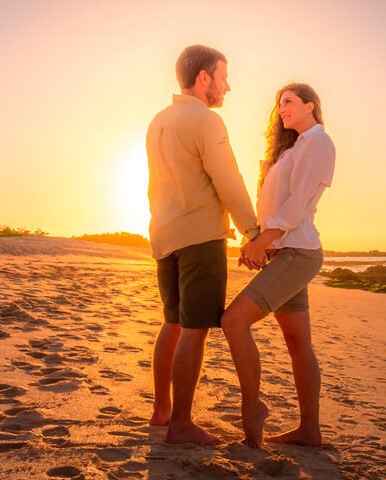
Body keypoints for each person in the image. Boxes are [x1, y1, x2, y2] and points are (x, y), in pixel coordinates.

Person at [146, 45, 260, 445]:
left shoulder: (159, 120)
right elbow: (228, 179)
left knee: (173, 322)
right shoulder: (205, 120)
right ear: (204, 78)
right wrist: (252, 230)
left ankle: (162, 409)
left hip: (164, 235)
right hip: (199, 238)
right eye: (223, 77)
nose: (228, 86)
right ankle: (180, 424)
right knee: (194, 329)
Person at [221, 83, 335, 448]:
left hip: (297, 253)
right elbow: (270, 204)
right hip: (284, 251)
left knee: (233, 321)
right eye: (279, 104)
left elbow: (297, 203)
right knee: (298, 342)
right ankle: (309, 431)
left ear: (310, 105)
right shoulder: (295, 147)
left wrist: (262, 242)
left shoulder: (318, 141)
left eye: (288, 102)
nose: (281, 109)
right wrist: (256, 242)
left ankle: (252, 409)